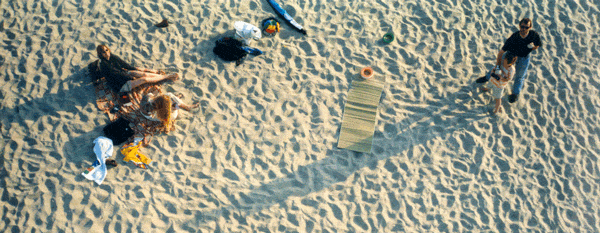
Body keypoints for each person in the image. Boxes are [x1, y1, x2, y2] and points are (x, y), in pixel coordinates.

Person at [476, 18, 543, 103]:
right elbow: (501, 52)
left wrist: (532, 47)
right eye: (522, 27)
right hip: (511, 55)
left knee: (519, 76)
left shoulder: (534, 35)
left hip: (524, 57)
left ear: (530, 27)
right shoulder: (514, 37)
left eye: (526, 27)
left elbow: (537, 45)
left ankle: (515, 94)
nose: (524, 29)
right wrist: (497, 64)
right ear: (519, 26)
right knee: (498, 68)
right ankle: (487, 77)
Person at [95, 45, 179, 93]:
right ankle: (167, 76)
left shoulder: (112, 57)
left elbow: (124, 64)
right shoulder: (104, 65)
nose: (106, 53)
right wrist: (132, 77)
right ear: (100, 54)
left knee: (144, 74)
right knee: (144, 79)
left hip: (124, 74)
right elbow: (118, 75)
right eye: (103, 52)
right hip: (120, 85)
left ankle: (164, 76)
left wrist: (134, 69)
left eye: (107, 50)